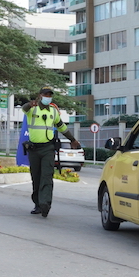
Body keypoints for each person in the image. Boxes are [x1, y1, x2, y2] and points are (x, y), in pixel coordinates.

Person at [21, 86, 80, 218]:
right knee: (36, 177)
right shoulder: (32, 109)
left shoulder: (53, 112)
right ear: (40, 95)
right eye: (45, 94)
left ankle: (45, 204)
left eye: (49, 95)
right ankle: (37, 204)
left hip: (48, 148)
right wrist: (29, 104)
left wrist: (73, 140)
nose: (48, 97)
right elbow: (24, 109)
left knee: (47, 176)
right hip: (34, 149)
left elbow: (62, 127)